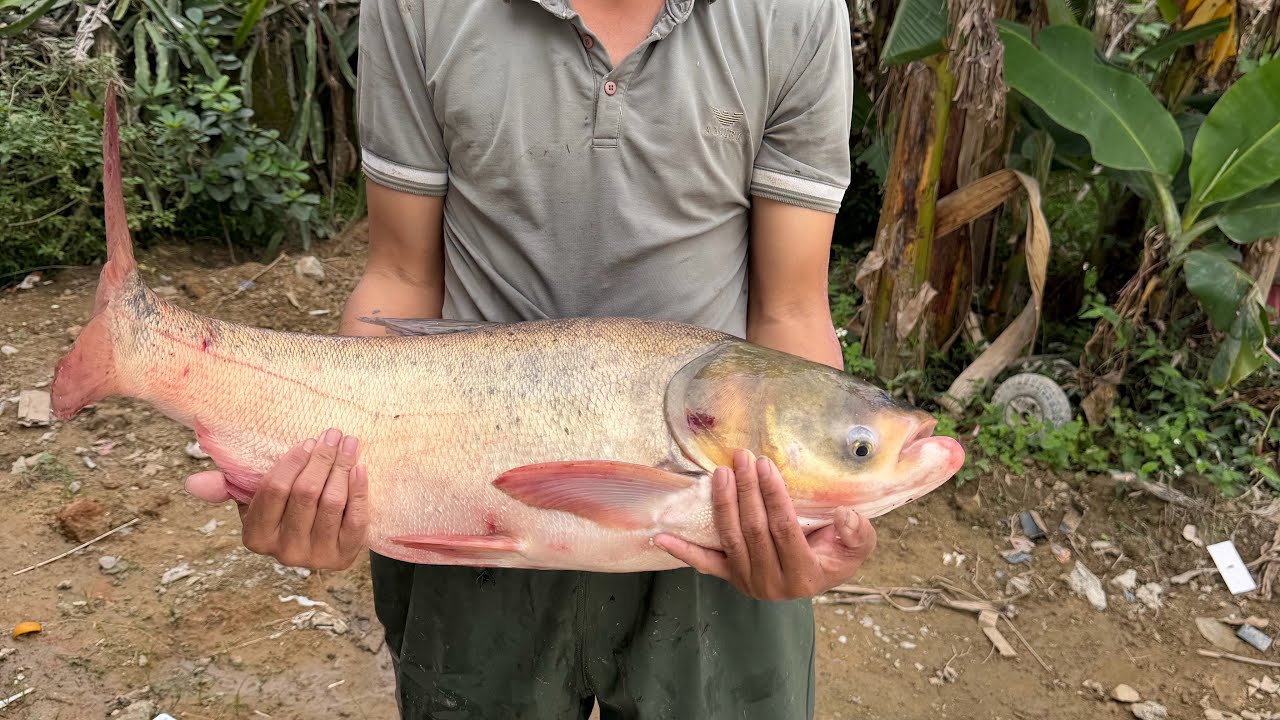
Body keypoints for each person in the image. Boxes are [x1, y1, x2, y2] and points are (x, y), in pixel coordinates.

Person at [185, 0, 878, 717]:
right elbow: (400, 275)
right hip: (471, 491)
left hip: (714, 514)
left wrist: (815, 521)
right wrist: (344, 480)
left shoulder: (795, 11)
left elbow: (790, 309)